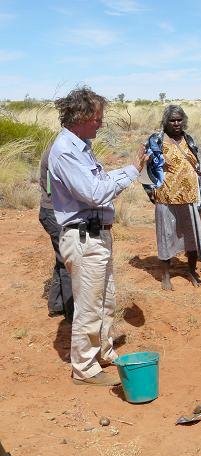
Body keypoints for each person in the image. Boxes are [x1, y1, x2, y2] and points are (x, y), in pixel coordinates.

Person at [48, 86, 148, 386]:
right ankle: (85, 368)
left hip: (95, 237)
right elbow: (94, 193)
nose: (100, 124)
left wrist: (131, 168)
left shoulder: (79, 146)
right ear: (81, 116)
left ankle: (103, 352)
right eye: (97, 118)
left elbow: (100, 180)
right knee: (89, 306)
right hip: (83, 238)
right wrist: (131, 173)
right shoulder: (65, 151)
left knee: (104, 301)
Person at [143, 105, 201, 291]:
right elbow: (145, 167)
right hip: (166, 196)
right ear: (166, 122)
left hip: (190, 196)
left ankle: (192, 271)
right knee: (166, 235)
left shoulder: (189, 139)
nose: (176, 123)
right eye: (172, 120)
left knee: (192, 236)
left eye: (179, 120)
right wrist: (149, 190)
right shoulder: (156, 140)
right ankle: (165, 275)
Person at [38, 146, 74, 321]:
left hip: (50, 211)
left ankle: (56, 304)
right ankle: (71, 312)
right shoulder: (58, 152)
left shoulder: (58, 148)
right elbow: (58, 188)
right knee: (68, 260)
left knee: (61, 259)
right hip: (54, 212)